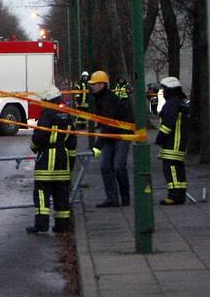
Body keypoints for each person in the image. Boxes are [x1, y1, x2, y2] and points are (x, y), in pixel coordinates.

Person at [27, 85, 77, 234]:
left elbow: (39, 137)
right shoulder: (67, 114)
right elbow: (72, 141)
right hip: (63, 162)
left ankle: (41, 225)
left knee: (41, 194)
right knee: (61, 195)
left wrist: (33, 147)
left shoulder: (47, 114)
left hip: (46, 163)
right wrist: (71, 163)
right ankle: (62, 226)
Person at [88, 71, 132, 208]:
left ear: (102, 84)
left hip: (121, 134)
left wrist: (97, 146)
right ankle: (112, 198)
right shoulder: (99, 98)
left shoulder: (108, 99)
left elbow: (109, 123)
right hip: (110, 135)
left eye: (94, 84)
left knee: (118, 166)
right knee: (105, 166)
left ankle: (125, 199)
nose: (92, 87)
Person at [155, 76, 189, 205]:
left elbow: (168, 122)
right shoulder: (179, 102)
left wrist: (160, 137)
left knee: (171, 169)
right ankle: (180, 194)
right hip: (179, 143)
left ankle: (174, 196)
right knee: (178, 170)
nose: (163, 92)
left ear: (170, 89)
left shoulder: (172, 103)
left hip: (172, 143)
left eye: (164, 89)